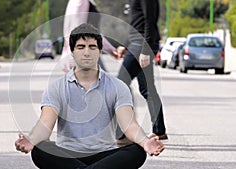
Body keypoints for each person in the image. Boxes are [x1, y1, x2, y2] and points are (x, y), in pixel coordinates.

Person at [15, 23, 164, 169]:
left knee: (137, 151)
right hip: (68, 155)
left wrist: (145, 142)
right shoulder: (56, 88)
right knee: (40, 149)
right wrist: (32, 140)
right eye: (81, 47)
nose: (87, 52)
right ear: (72, 51)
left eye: (92, 47)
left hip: (105, 154)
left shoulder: (118, 87)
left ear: (99, 50)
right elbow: (45, 124)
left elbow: (129, 125)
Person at [116, 0, 167, 145]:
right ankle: (159, 130)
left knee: (119, 85)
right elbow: (136, 22)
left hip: (141, 44)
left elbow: (150, 20)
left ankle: (122, 133)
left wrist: (145, 50)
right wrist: (126, 44)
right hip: (136, 43)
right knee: (148, 89)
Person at [61, 0, 123, 72]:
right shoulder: (81, 2)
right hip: (85, 54)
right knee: (105, 81)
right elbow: (82, 30)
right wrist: (110, 49)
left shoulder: (76, 2)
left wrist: (110, 50)